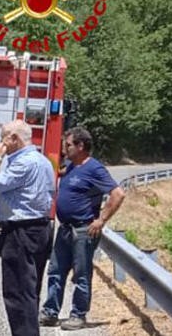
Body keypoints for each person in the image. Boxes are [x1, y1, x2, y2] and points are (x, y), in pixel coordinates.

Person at [40, 128, 125, 330]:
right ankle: (50, 312)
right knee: (55, 271)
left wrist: (101, 220)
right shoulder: (70, 166)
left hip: (83, 230)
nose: (64, 148)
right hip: (65, 229)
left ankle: (78, 315)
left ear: (80, 146)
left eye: (68, 144)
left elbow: (118, 194)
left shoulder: (95, 169)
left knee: (81, 274)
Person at [0, 120, 55, 336]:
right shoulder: (42, 161)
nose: (1, 142)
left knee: (17, 290)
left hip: (20, 230)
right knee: (30, 289)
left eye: (3, 137)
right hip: (39, 228)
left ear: (14, 138)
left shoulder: (23, 163)